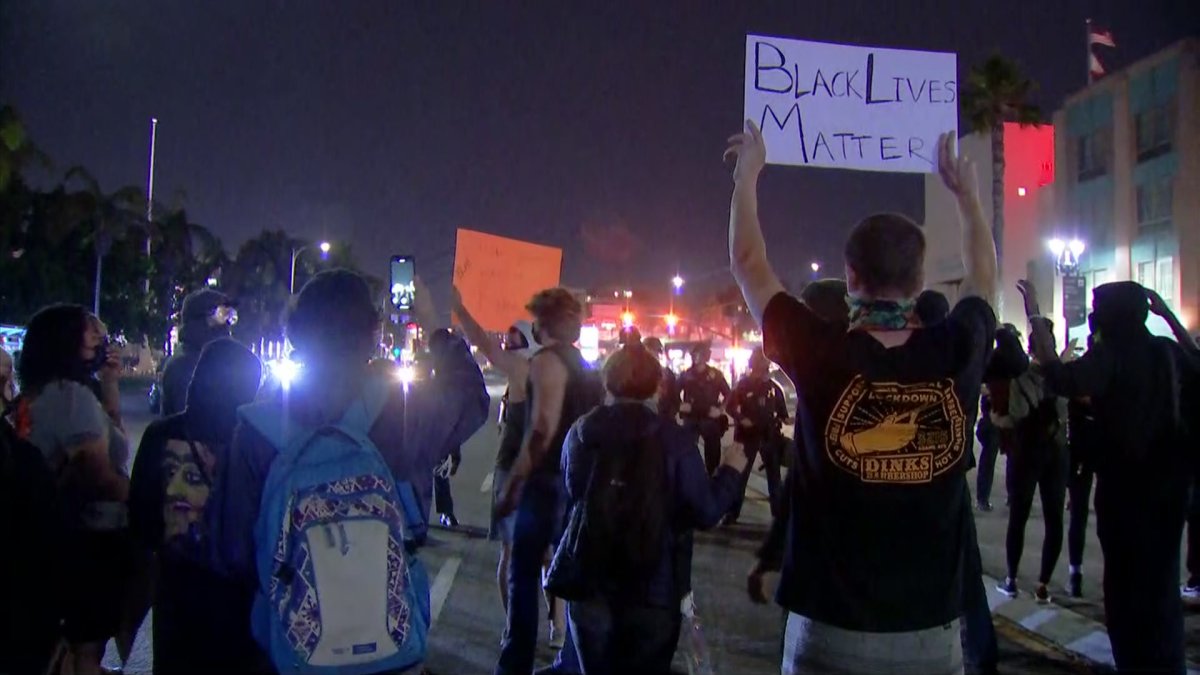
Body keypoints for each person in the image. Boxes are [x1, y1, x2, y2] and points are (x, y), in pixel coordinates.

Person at [727, 121, 997, 675]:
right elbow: (984, 281)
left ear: (850, 277)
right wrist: (969, 199)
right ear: (920, 279)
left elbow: (748, 264)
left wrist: (748, 175)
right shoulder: (959, 347)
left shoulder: (819, 351)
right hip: (930, 628)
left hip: (830, 626)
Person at [213, 270, 489, 674]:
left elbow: (233, 553)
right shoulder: (400, 412)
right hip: (389, 654)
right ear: (373, 335)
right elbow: (470, 397)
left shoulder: (257, 431)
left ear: (295, 335)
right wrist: (434, 326)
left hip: (291, 657)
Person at [1017, 279, 1200, 673]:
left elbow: (1057, 376)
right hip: (1169, 489)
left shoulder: (1111, 355)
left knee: (1126, 592)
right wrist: (1167, 313)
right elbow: (1197, 362)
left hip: (1126, 491)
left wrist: (1035, 314)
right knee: (1161, 588)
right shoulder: (1165, 351)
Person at [560, 342, 746, 673]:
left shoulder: (581, 432)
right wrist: (730, 471)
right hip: (652, 591)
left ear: (607, 382)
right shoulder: (672, 439)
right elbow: (706, 510)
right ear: (658, 385)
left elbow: (573, 493)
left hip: (590, 583)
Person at [127, 338, 264, 673]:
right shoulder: (259, 440)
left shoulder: (161, 435)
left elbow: (141, 519)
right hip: (243, 601)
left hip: (178, 595)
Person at [15, 304, 131, 675]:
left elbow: (111, 439)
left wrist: (110, 383)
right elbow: (97, 472)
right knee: (85, 649)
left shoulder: (44, 393)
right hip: (87, 539)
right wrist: (136, 494)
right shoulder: (70, 397)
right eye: (89, 330)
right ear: (64, 339)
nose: (99, 337)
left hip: (54, 539)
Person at [495, 287, 603, 675]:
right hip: (581, 484)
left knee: (523, 574)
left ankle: (515, 662)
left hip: (547, 485)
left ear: (545, 324)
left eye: (537, 320)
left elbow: (541, 430)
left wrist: (513, 483)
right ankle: (574, 659)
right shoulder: (586, 367)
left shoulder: (546, 362)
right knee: (572, 574)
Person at [451, 290, 569, 645]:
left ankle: (516, 631)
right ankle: (559, 627)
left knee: (513, 555)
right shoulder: (565, 368)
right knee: (550, 554)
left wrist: (459, 307)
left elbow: (483, 343)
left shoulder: (523, 368)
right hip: (553, 473)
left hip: (515, 470)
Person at [990, 328, 1069, 603]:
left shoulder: (1022, 379)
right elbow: (1065, 411)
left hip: (1026, 452)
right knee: (1054, 517)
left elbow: (1016, 416)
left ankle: (1011, 579)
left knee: (1019, 516)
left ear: (1030, 349)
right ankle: (1043, 585)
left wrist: (994, 418)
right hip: (1056, 451)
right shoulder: (1061, 376)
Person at [725, 347, 789, 522]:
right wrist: (741, 418)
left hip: (769, 436)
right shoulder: (743, 385)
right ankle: (733, 513)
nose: (763, 368)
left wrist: (788, 420)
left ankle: (779, 515)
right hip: (747, 435)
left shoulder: (774, 388)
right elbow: (730, 406)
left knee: (774, 479)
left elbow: (783, 413)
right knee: (740, 476)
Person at [160, 289, 237, 416]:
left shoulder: (212, 362)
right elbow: (194, 423)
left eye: (229, 316)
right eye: (221, 315)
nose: (226, 324)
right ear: (199, 320)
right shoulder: (184, 365)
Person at [677, 344, 730, 475]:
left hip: (710, 418)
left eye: (699, 354)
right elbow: (673, 392)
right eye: (694, 354)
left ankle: (712, 478)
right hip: (691, 417)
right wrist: (680, 404)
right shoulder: (686, 375)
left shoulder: (716, 375)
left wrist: (721, 409)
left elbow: (729, 394)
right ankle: (690, 477)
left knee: (712, 454)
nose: (696, 357)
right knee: (687, 450)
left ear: (706, 357)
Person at [642, 337, 679, 422]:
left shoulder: (667, 373)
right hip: (644, 418)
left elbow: (674, 399)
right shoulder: (637, 373)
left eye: (654, 351)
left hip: (662, 417)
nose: (652, 355)